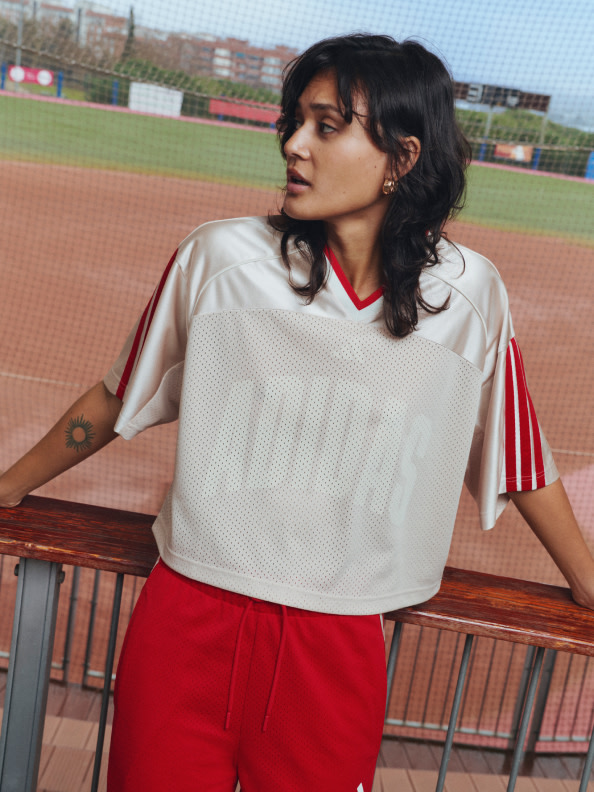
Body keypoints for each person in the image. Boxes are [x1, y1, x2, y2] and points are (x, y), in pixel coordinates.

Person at [1, 33, 593, 792]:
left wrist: (586, 580)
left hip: (338, 646)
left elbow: (518, 450)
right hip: (186, 621)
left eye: (327, 126)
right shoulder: (218, 257)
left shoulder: (471, 293)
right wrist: (9, 485)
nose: (293, 145)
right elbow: (119, 395)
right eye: (295, 122)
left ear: (402, 156)